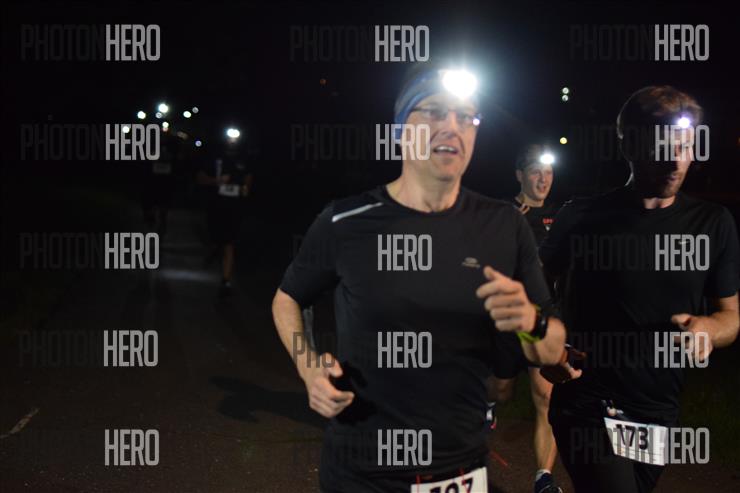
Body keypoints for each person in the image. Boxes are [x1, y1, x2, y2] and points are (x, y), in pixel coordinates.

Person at [272, 61, 570, 493]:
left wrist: (530, 322)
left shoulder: (505, 226)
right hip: (362, 471)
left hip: (460, 471)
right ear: (399, 130)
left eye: (466, 117)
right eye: (434, 112)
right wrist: (308, 366)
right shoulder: (346, 221)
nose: (452, 126)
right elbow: (288, 298)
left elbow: (552, 347)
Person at [540, 86, 739, 492]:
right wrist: (542, 346)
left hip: (658, 412)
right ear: (628, 145)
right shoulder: (581, 217)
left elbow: (730, 316)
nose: (675, 161)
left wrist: (709, 330)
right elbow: (524, 298)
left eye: (685, 147)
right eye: (662, 147)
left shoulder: (713, 223)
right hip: (589, 403)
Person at [485, 144, 563, 493]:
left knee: (546, 397)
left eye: (548, 172)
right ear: (520, 175)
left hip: (544, 321)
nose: (543, 179)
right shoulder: (502, 211)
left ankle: (544, 478)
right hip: (506, 319)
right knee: (502, 390)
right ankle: (488, 401)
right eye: (535, 172)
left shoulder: (561, 216)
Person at [196, 133, 254, 297]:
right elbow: (200, 177)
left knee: (230, 242)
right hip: (216, 206)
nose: (232, 141)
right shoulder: (215, 157)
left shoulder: (244, 159)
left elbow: (248, 181)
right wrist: (216, 181)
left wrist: (245, 189)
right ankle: (215, 250)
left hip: (234, 209)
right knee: (216, 238)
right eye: (229, 138)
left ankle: (226, 279)